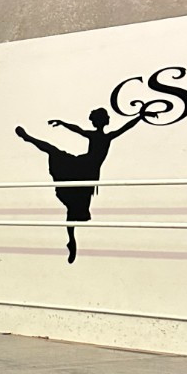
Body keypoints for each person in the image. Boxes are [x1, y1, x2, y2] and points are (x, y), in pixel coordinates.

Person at [15, 108, 140, 263]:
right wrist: (140, 116)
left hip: (85, 171)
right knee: (54, 153)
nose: (106, 119)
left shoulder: (102, 136)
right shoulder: (104, 136)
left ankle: (71, 239)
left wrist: (140, 116)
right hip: (84, 169)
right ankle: (28, 138)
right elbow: (80, 129)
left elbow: (124, 127)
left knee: (73, 207)